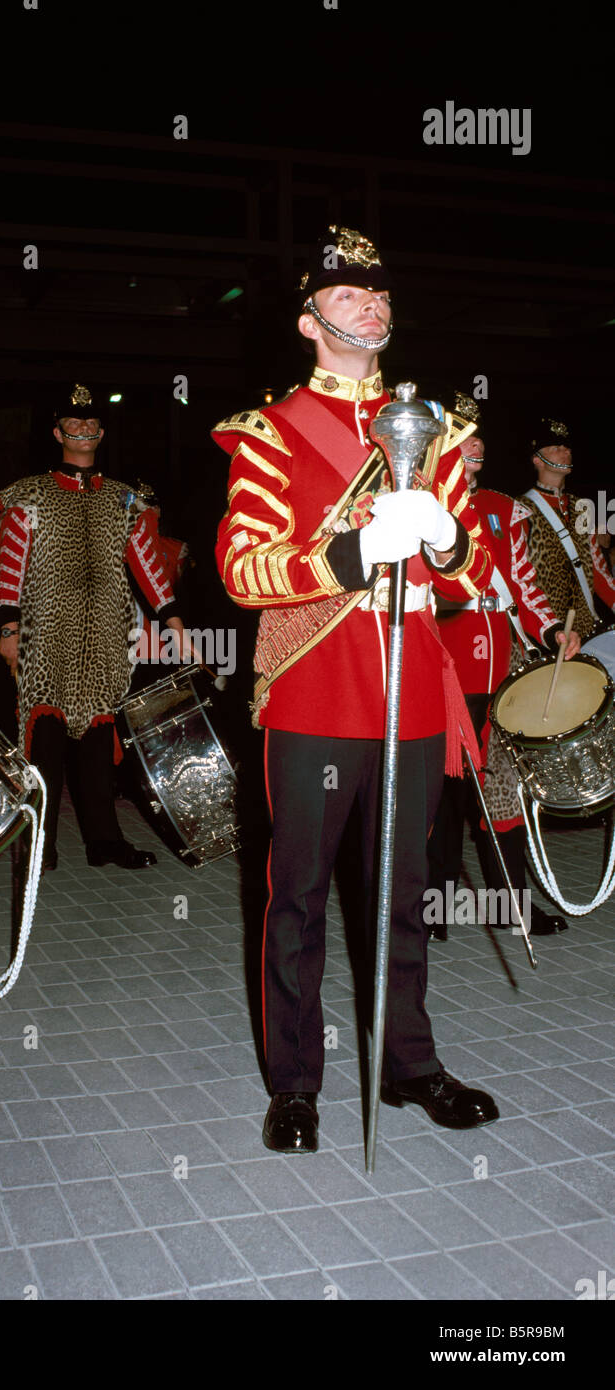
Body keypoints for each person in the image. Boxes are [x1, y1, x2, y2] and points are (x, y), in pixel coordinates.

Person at [213, 226, 500, 1154]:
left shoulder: (440, 432)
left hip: (412, 686)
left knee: (404, 891)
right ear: (309, 320)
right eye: (346, 295)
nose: (369, 304)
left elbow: (472, 575)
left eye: (378, 293)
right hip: (312, 692)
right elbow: (241, 570)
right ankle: (295, 1085)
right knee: (295, 897)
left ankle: (409, 1064)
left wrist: (445, 541)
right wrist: (353, 551)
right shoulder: (269, 433)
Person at [0, 383, 185, 870]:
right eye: (73, 424)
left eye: (91, 423)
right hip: (44, 634)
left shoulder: (124, 499)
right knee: (44, 743)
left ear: (101, 431)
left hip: (104, 637)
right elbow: (10, 566)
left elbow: (148, 567)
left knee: (100, 744)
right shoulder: (28, 494)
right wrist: (9, 629)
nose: (83, 431)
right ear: (58, 432)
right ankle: (39, 844)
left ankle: (104, 840)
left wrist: (174, 622)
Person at [428, 393, 580, 942]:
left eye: (479, 433)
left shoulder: (501, 508)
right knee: (438, 796)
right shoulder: (416, 506)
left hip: (499, 673)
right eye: (462, 432)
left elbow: (525, 588)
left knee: (502, 795)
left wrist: (550, 630)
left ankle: (506, 905)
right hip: (440, 673)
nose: (477, 442)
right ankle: (432, 907)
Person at [522, 418, 615, 640]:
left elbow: (598, 571)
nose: (566, 452)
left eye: (567, 448)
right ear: (538, 460)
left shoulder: (581, 508)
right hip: (545, 628)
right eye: (556, 448)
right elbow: (520, 578)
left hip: (584, 625)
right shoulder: (521, 509)